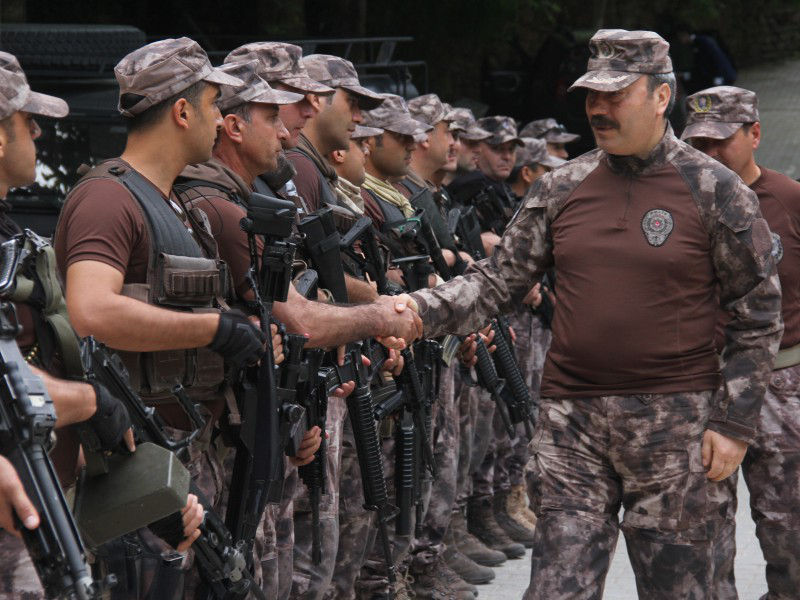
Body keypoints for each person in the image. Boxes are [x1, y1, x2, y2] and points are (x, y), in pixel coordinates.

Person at [396, 29, 782, 599]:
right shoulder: (562, 187)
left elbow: (758, 311)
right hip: (571, 425)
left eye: (615, 94)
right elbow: (497, 284)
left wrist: (734, 423)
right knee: (556, 589)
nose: (598, 108)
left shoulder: (714, 189)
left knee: (686, 590)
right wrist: (409, 310)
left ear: (660, 95)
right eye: (590, 96)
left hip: (675, 429)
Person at [52, 38, 295, 599]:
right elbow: (92, 310)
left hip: (187, 454)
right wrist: (217, 330)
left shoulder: (177, 205)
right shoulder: (109, 200)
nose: (220, 119)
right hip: (138, 468)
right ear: (182, 111)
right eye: (213, 104)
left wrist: (252, 336)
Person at [0, 49, 201, 598]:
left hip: (46, 496)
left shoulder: (13, 241)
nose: (37, 132)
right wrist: (91, 403)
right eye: (25, 119)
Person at [683, 85, 800, 600]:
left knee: (791, 531)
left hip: (782, 382)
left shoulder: (790, 199)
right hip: (702, 385)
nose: (708, 156)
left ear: (754, 134)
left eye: (720, 142)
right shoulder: (674, 202)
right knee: (702, 539)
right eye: (698, 144)